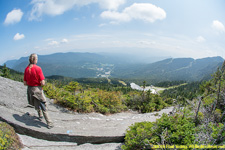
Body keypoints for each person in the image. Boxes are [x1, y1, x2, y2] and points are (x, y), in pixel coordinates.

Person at [23, 53, 53, 129]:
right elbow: (42, 82)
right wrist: (40, 84)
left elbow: (25, 83)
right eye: (37, 58)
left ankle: (40, 116)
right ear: (35, 59)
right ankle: (49, 123)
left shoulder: (26, 69)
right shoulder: (38, 68)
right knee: (43, 105)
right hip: (37, 89)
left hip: (30, 89)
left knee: (36, 104)